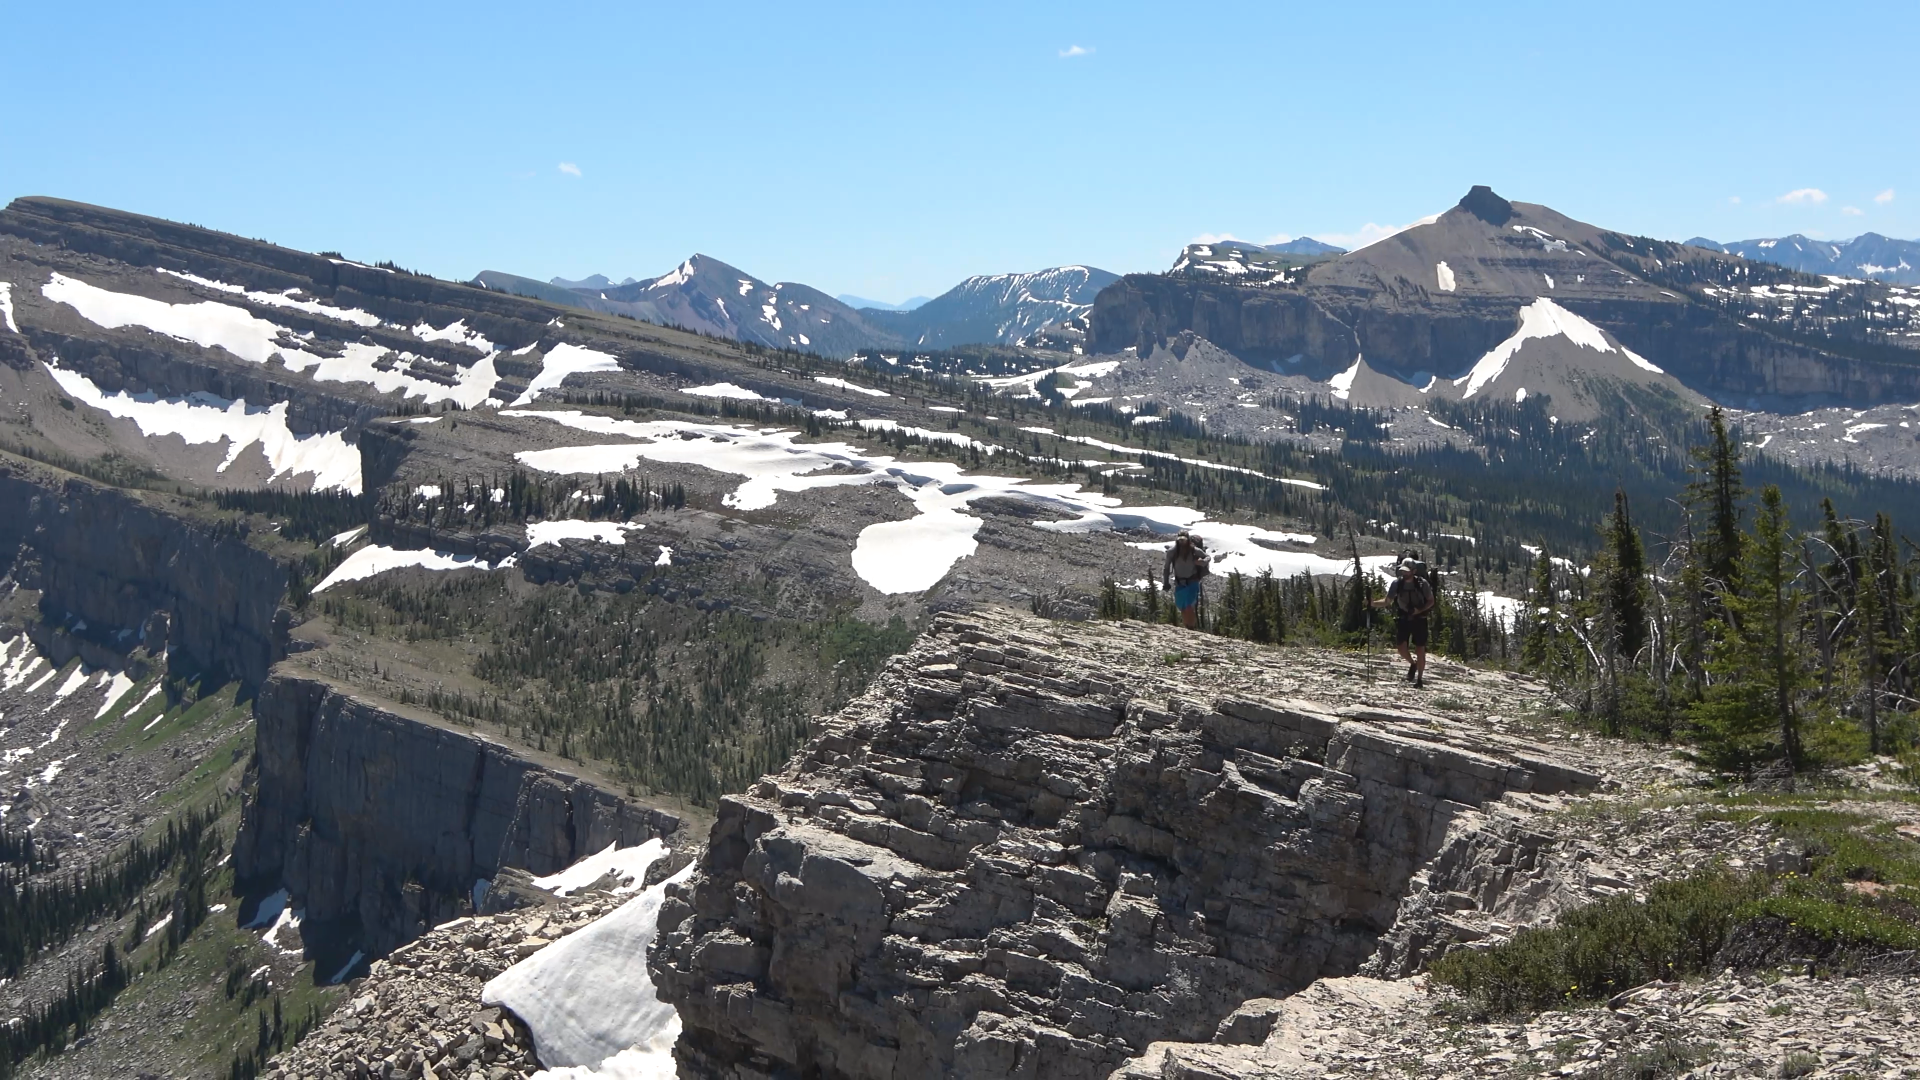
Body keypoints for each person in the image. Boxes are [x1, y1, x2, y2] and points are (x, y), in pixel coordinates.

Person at [1372, 558, 1434, 687]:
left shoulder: (1423, 584)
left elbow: (1431, 601)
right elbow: (1387, 601)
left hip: (1420, 619)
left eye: (1407, 571)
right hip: (1404, 617)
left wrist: (1419, 610)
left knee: (1420, 649)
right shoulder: (1397, 584)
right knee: (1401, 647)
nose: (1404, 574)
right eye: (1403, 571)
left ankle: (1419, 680)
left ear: (1414, 571)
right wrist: (1372, 604)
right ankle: (1413, 663)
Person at [1162, 531, 1210, 629]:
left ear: (1187, 540)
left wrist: (1203, 562)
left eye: (1184, 540)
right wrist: (1166, 583)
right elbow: (1166, 568)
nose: (1182, 542)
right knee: (1182, 606)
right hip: (1180, 583)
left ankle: (1191, 628)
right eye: (1180, 540)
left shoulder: (1194, 550)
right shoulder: (1172, 552)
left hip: (1193, 581)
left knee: (1188, 606)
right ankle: (1187, 626)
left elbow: (1207, 557)